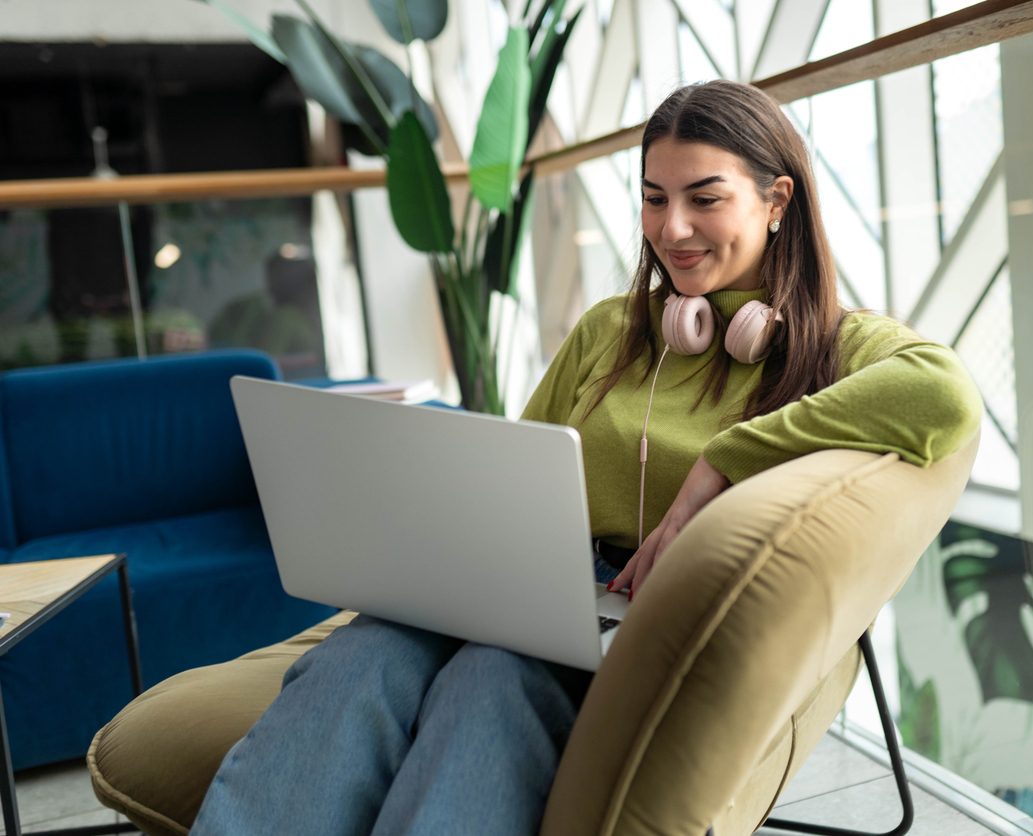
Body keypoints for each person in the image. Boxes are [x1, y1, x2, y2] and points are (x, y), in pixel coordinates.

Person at [189, 79, 982, 836]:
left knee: (493, 680)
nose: (672, 228)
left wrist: (726, 459)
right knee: (360, 657)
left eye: (705, 198)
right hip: (530, 582)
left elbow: (944, 394)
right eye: (653, 197)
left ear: (778, 202)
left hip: (638, 619)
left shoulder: (840, 346)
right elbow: (518, 467)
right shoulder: (614, 329)